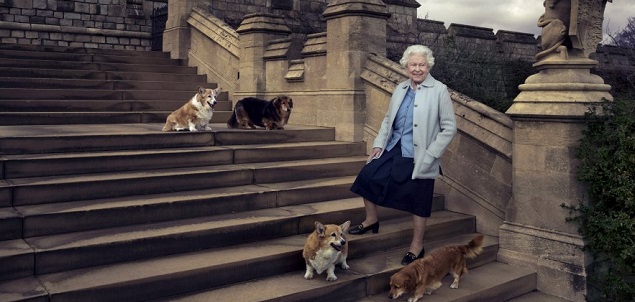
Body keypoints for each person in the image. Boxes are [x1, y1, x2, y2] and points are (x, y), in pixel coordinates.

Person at [348, 44, 457, 266]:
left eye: (422, 65)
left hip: (421, 154)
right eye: (413, 64)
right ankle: (371, 220)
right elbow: (389, 119)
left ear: (429, 66)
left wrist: (431, 154)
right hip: (394, 146)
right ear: (406, 66)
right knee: (367, 176)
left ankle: (417, 246)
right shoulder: (400, 88)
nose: (417, 69)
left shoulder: (439, 90)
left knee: (419, 200)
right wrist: (379, 144)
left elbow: (449, 127)